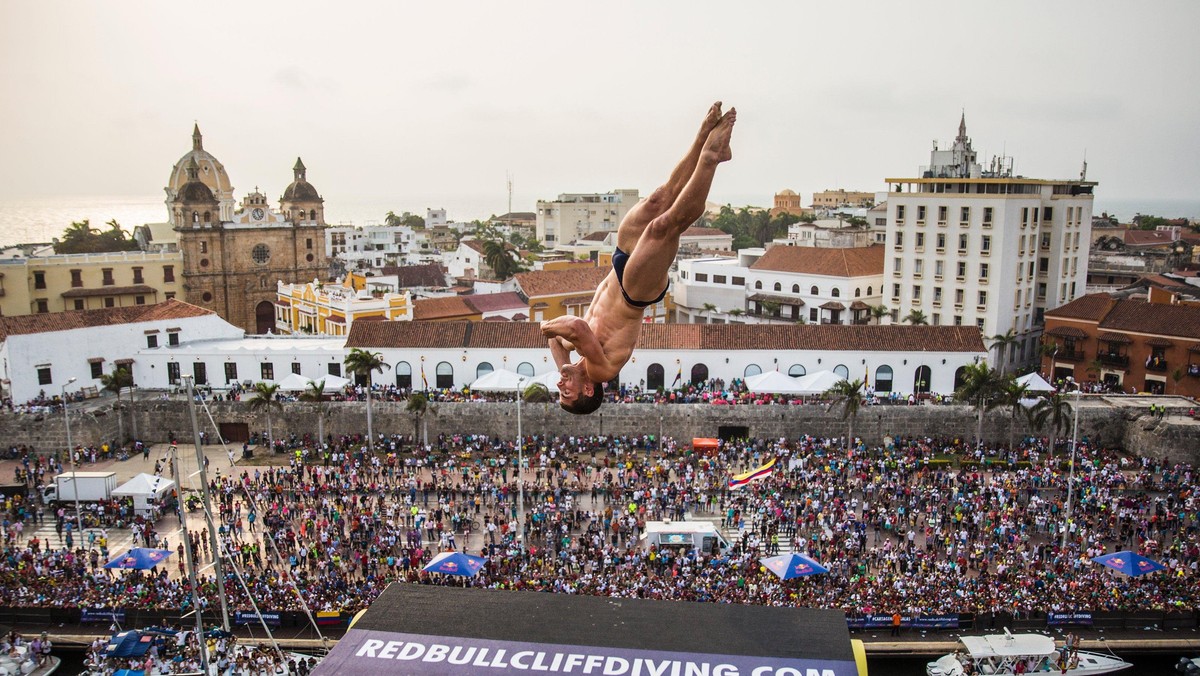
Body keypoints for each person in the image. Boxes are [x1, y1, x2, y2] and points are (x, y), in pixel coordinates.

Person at [543, 102, 736, 414]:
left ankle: (703, 137)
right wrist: (546, 330)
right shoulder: (600, 369)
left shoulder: (572, 355)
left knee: (659, 198)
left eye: (560, 391)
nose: (560, 387)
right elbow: (577, 327)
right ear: (588, 389)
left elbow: (557, 342)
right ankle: (710, 158)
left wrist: (563, 364)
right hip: (635, 291)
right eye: (567, 393)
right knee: (665, 226)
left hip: (619, 264)